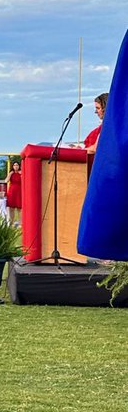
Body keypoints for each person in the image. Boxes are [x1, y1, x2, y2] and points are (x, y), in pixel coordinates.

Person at [78, 42, 127, 258]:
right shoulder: (104, 131)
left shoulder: (108, 133)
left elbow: (95, 150)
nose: (96, 113)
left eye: (98, 108)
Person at [3, 159, 22, 225]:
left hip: (19, 191)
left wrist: (22, 174)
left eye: (17, 165)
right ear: (12, 166)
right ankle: (11, 223)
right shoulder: (11, 173)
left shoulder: (22, 173)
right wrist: (10, 174)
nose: (16, 166)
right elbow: (6, 181)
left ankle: (20, 223)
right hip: (12, 192)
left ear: (19, 166)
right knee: (11, 208)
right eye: (14, 165)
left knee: (19, 209)